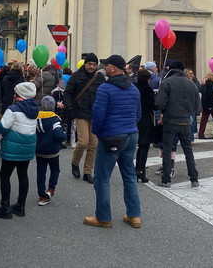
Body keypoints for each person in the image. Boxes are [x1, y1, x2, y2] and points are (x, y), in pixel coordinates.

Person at [83, 55, 141, 229]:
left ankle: (103, 217)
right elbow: (138, 114)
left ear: (113, 69)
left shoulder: (105, 89)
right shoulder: (133, 89)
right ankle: (134, 215)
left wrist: (98, 133)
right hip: (131, 134)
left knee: (102, 177)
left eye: (106, 65)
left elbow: (98, 115)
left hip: (111, 136)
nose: (104, 68)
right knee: (129, 175)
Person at [0, 82, 39, 219]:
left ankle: (4, 207)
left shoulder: (13, 109)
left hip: (12, 147)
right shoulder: (34, 108)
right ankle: (20, 206)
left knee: (5, 176)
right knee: (23, 175)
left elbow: (3, 127)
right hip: (27, 147)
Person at [156, 61, 200, 188]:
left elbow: (160, 103)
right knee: (188, 151)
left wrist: (164, 111)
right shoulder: (191, 83)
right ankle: (194, 179)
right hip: (185, 121)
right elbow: (198, 107)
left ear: (171, 69)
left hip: (170, 121)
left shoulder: (167, 82)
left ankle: (166, 180)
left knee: (167, 150)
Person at [64, 53, 105, 184]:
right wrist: (69, 108)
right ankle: (75, 163)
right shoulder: (76, 77)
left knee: (94, 144)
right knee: (83, 142)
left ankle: (87, 172)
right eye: (89, 64)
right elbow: (68, 93)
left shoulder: (100, 77)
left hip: (95, 114)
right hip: (80, 113)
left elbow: (105, 93)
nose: (92, 66)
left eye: (94, 64)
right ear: (85, 64)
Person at [36, 96, 66, 206]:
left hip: (39, 150)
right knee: (55, 169)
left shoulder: (37, 118)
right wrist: (64, 136)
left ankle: (41, 195)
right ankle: (51, 189)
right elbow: (58, 134)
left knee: (41, 172)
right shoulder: (54, 120)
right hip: (52, 150)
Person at [134, 69, 155, 183]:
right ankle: (140, 170)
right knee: (145, 145)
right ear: (148, 79)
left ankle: (136, 169)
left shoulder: (134, 87)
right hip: (146, 118)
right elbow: (152, 105)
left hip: (135, 118)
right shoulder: (148, 90)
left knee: (139, 145)